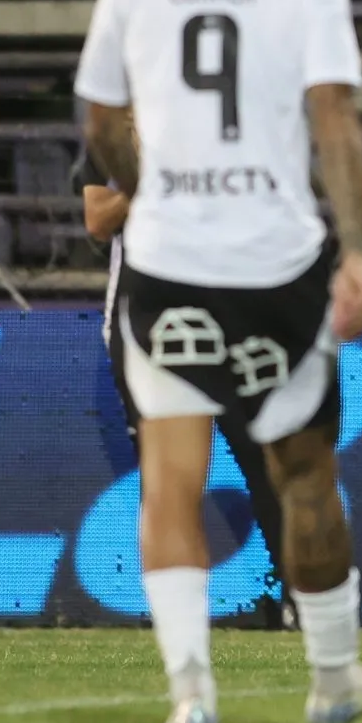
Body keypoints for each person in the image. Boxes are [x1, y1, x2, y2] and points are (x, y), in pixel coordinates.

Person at [74, 0, 362, 723]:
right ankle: (332, 680)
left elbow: (100, 119)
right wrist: (355, 249)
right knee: (305, 474)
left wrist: (151, 181)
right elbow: (335, 118)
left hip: (166, 260)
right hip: (275, 262)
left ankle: (192, 696)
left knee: (169, 477)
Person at [75, 144, 293, 630]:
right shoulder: (114, 137)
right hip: (152, 329)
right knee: (169, 475)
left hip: (230, 318)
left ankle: (291, 596)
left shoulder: (222, 132)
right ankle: (177, 611)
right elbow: (98, 218)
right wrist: (160, 174)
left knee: (265, 459)